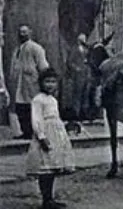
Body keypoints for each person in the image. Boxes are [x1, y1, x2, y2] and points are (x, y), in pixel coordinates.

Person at [25, 68, 75, 209]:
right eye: (47, 81)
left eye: (53, 82)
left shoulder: (52, 99)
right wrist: (41, 137)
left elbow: (55, 118)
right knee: (45, 168)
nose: (50, 85)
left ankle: (50, 198)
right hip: (46, 134)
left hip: (56, 135)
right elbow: (36, 120)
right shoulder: (38, 100)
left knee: (53, 167)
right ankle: (45, 199)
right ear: (41, 83)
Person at [11, 25, 50, 139]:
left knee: (31, 107)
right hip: (20, 83)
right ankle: (25, 131)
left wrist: (43, 82)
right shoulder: (17, 49)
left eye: (25, 32)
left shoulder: (36, 48)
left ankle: (33, 132)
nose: (22, 34)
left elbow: (43, 66)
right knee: (20, 107)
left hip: (31, 83)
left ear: (30, 33)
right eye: (21, 32)